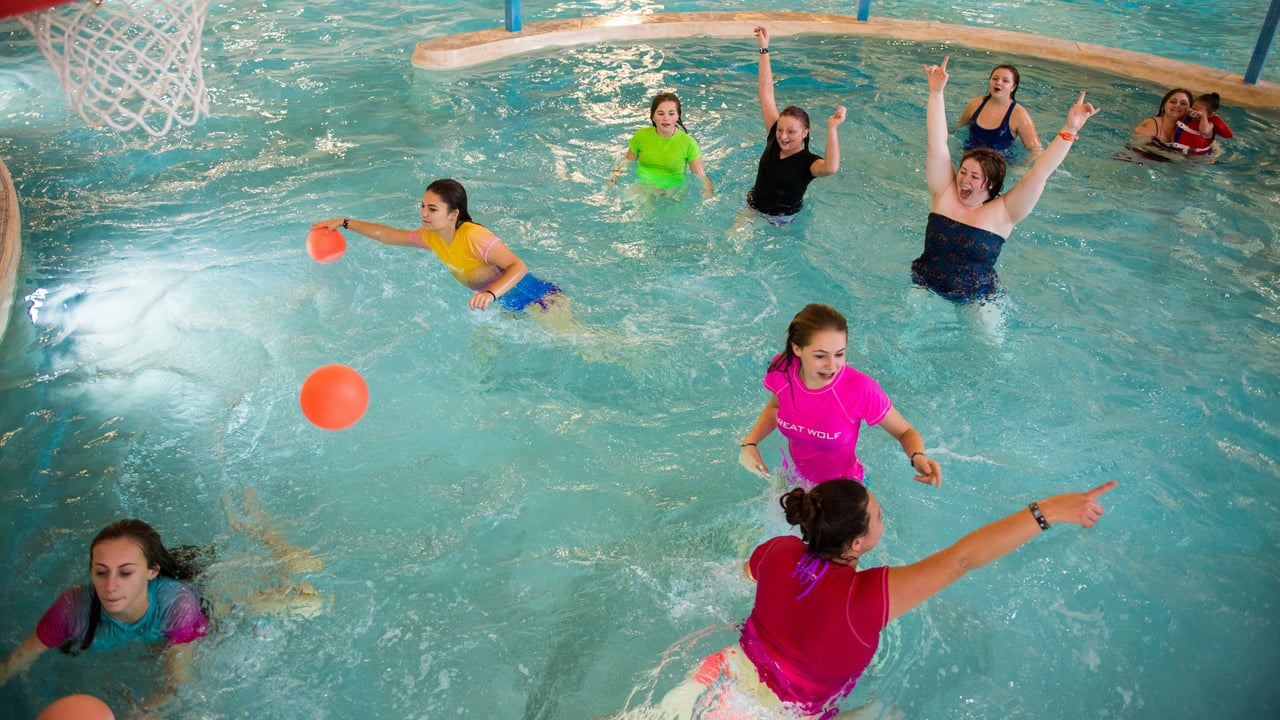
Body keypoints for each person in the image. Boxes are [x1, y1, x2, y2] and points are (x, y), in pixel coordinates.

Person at [661, 478, 1117, 719]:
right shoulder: (866, 596)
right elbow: (961, 560)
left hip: (718, 673)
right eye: (878, 515)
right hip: (775, 715)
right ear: (857, 544)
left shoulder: (775, 551)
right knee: (888, 714)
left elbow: (738, 578)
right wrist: (1050, 511)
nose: (885, 517)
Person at [911, 56, 1100, 303]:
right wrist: (936, 93)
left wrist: (1070, 129)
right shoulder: (943, 193)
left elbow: (1040, 172)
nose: (964, 179)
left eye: (975, 176)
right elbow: (937, 143)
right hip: (925, 281)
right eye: (963, 171)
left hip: (978, 296)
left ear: (990, 184)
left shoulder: (1004, 212)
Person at [739, 304, 942, 487]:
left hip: (844, 490)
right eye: (820, 356)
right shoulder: (782, 369)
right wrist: (750, 442)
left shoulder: (860, 388)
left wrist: (918, 457)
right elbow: (776, 406)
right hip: (797, 480)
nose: (832, 365)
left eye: (839, 354)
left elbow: (905, 431)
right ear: (797, 348)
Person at [0, 520, 209, 695]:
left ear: (152, 571)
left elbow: (175, 688)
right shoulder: (71, 610)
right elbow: (14, 663)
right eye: (101, 572)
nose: (110, 587)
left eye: (125, 573)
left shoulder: (177, 606)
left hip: (198, 600)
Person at [313, 178, 564, 316]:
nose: (423, 213)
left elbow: (518, 267)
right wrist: (345, 222)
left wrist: (489, 294)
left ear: (453, 214)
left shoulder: (474, 236)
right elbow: (389, 235)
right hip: (503, 303)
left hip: (538, 299)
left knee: (586, 346)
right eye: (423, 205)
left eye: (432, 209)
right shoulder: (431, 237)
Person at [744, 26, 846, 225]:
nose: (783, 136)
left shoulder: (808, 163)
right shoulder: (774, 136)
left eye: (791, 132)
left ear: (804, 132)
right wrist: (764, 49)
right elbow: (766, 93)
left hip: (784, 220)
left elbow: (831, 168)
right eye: (781, 129)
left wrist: (832, 128)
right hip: (753, 207)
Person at [611, 92, 713, 196]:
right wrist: (612, 180)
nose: (666, 118)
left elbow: (701, 177)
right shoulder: (641, 136)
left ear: (678, 116)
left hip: (673, 189)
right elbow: (626, 163)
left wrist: (708, 192)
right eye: (660, 113)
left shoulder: (689, 143)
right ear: (653, 116)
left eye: (671, 113)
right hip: (644, 186)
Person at [954, 64, 1042, 158]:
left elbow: (1036, 150)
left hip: (996, 167)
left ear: (1013, 87)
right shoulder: (976, 104)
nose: (998, 83)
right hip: (967, 161)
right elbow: (958, 127)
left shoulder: (1019, 115)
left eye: (1005, 81)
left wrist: (1021, 168)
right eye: (995, 79)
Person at [1167, 92, 1233, 156]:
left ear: (1210, 115)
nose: (1194, 112)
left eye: (1199, 112)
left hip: (1198, 157)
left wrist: (1203, 116)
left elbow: (1203, 131)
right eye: (1193, 109)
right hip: (1180, 151)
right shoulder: (1187, 118)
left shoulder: (1210, 125)